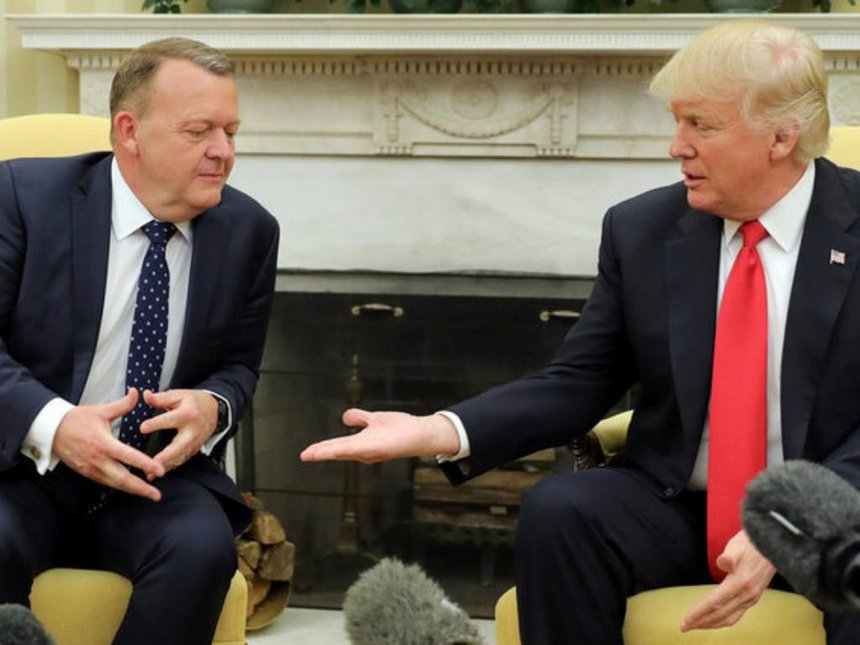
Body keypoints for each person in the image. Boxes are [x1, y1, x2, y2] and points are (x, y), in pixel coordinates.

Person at [301, 20, 860, 645]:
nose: (676, 146)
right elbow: (580, 381)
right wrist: (439, 428)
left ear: (781, 136)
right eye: (676, 122)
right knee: (562, 511)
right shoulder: (642, 229)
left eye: (701, 125)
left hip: (834, 511)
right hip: (679, 504)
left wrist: (791, 523)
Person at [0, 38, 279, 644]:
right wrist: (55, 425)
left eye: (232, 131)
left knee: (202, 550)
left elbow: (238, 367)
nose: (223, 153)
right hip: (23, 466)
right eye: (199, 131)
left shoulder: (249, 231)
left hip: (155, 476)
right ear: (130, 130)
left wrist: (213, 406)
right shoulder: (22, 198)